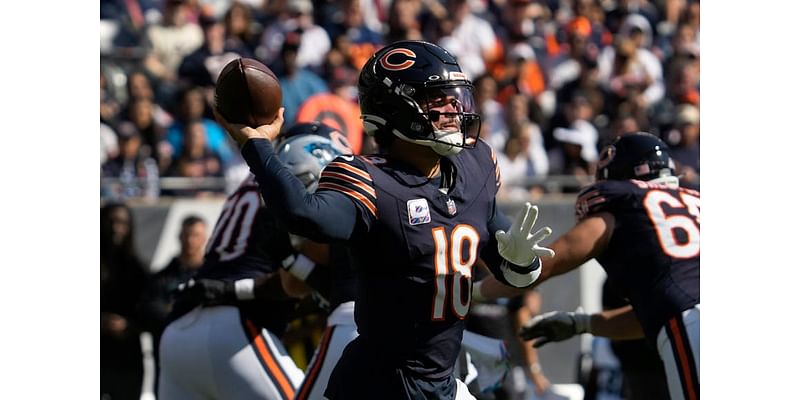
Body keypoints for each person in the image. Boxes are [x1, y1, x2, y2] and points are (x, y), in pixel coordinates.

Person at [214, 40, 555, 400]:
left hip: (441, 381)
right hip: (380, 384)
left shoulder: (475, 167)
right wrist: (256, 144)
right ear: (396, 108)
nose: (454, 108)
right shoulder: (369, 180)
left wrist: (522, 263)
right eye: (437, 99)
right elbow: (305, 216)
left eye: (455, 97)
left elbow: (512, 269)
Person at [477, 132, 699, 400]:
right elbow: (654, 316)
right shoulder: (695, 201)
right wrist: (583, 324)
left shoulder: (624, 203)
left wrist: (473, 293)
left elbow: (544, 266)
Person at [155, 136, 333, 399]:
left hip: (179, 329)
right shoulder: (292, 189)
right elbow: (293, 284)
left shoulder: (247, 186)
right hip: (235, 329)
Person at [101, 202, 148, 400]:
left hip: (127, 357)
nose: (115, 228)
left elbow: (149, 310)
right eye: (111, 222)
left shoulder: (138, 268)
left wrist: (129, 325)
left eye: (122, 223)